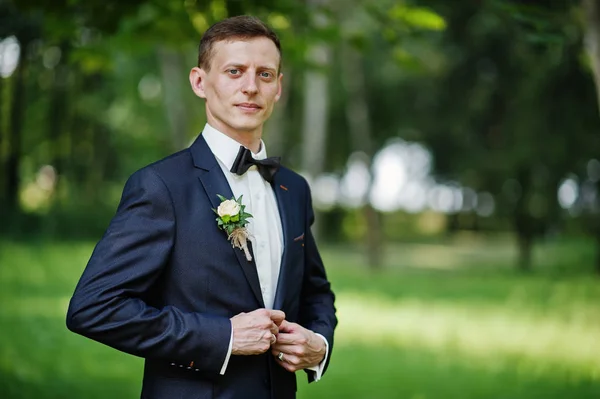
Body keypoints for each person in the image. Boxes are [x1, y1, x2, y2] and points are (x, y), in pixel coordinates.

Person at [66, 15, 337, 399]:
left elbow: (316, 293)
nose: (250, 87)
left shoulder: (295, 188)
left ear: (279, 87)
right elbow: (94, 308)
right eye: (234, 71)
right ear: (199, 81)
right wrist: (222, 336)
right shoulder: (161, 186)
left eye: (264, 74)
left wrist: (318, 346)